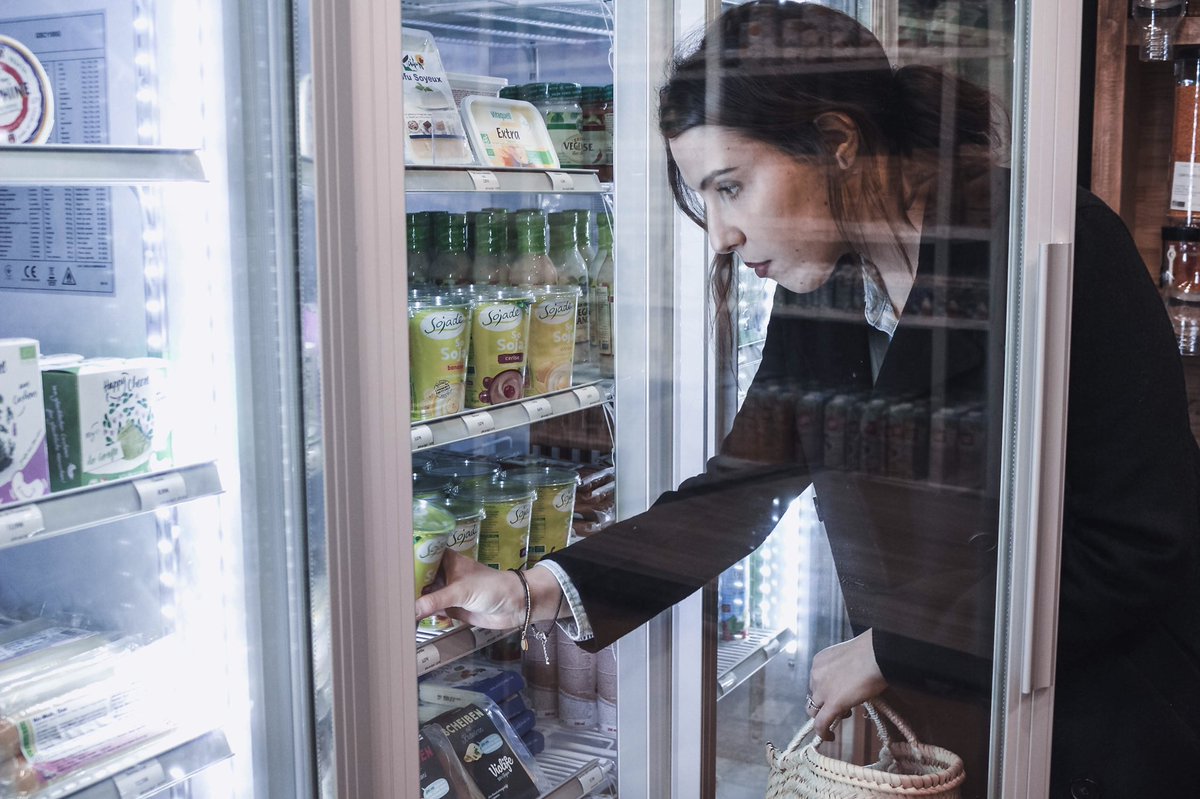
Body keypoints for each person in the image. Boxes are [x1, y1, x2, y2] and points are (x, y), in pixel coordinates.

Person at [415, 2, 1200, 796]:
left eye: (731, 186)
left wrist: (891, 649)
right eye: (706, 198)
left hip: (1101, 729)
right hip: (948, 732)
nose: (719, 233)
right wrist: (532, 591)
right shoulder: (830, 282)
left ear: (836, 141)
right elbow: (742, 488)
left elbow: (1136, 548)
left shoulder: (1055, 246)